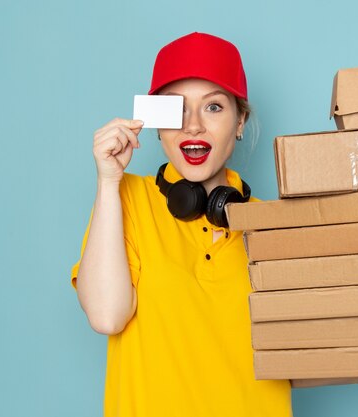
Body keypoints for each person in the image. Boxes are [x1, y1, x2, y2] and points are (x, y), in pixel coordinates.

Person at [70, 32, 293, 417]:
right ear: (157, 122)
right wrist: (108, 181)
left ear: (240, 121)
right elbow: (107, 315)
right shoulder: (126, 198)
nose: (193, 127)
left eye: (213, 108)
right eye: (177, 109)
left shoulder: (273, 226)